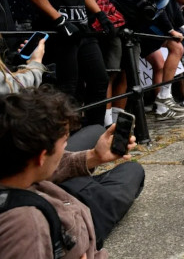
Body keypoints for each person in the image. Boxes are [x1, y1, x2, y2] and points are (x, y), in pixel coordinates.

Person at [0, 86, 144, 257]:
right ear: (41, 157)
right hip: (78, 216)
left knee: (96, 130)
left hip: (51, 189)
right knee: (133, 170)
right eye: (64, 141)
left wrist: (94, 156)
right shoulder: (27, 225)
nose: (66, 145)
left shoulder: (17, 163)